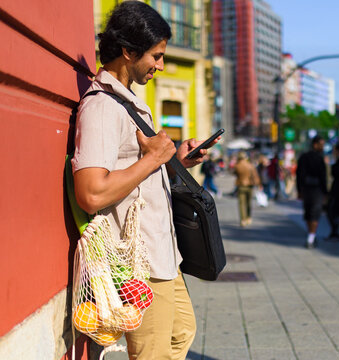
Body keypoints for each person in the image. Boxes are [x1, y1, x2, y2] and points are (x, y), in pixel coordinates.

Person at [71, 2, 219, 358]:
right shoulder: (103, 107)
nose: (161, 65)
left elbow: (136, 172)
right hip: (139, 262)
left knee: (180, 334)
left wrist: (175, 160)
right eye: (156, 55)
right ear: (128, 51)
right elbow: (91, 193)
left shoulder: (127, 102)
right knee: (154, 352)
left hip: (162, 254)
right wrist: (154, 157)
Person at [296, 136, 327, 249]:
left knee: (308, 213)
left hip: (306, 189)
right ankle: (311, 237)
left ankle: (311, 236)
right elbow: (323, 177)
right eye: (321, 144)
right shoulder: (319, 158)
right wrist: (325, 192)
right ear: (315, 144)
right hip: (316, 189)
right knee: (314, 213)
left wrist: (299, 190)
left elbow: (299, 175)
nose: (323, 147)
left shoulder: (304, 157)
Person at [234, 151, 261, 227]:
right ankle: (249, 217)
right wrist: (258, 184)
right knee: (249, 203)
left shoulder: (237, 165)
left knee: (241, 204)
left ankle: (243, 220)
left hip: (241, 185)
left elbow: (234, 173)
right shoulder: (250, 165)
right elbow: (255, 175)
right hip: (250, 185)